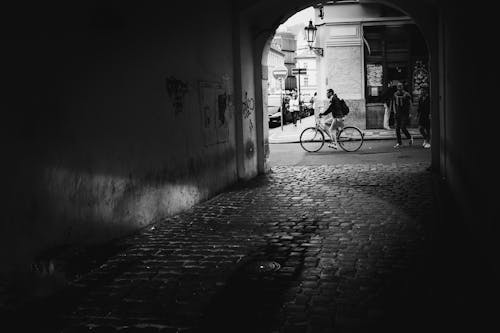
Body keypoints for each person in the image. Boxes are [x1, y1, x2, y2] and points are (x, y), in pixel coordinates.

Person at [392, 82, 413, 148]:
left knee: (403, 127)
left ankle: (409, 137)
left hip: (405, 113)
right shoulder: (395, 94)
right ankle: (399, 142)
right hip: (398, 113)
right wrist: (395, 112)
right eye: (398, 86)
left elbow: (410, 104)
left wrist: (410, 112)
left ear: (403, 86)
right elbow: (393, 104)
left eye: (401, 86)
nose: (399, 87)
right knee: (397, 128)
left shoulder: (407, 94)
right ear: (397, 87)